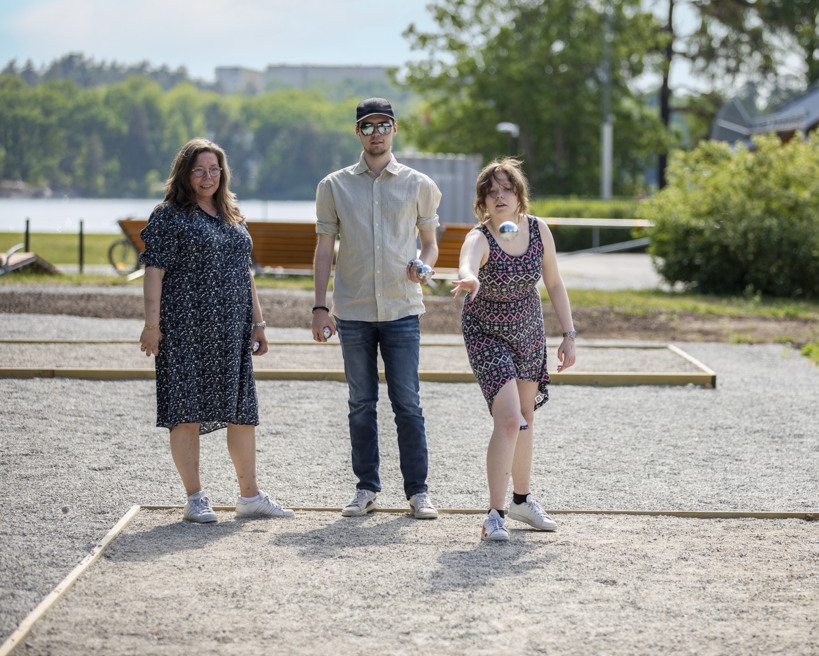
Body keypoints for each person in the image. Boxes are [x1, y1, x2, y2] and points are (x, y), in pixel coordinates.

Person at [139, 138, 293, 523]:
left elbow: (246, 273)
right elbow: (153, 271)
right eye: (199, 169)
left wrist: (259, 323)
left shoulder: (232, 214)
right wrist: (152, 325)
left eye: (214, 169)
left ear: (222, 173)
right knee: (185, 410)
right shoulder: (169, 215)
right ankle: (195, 498)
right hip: (185, 328)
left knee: (242, 413)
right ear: (185, 173)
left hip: (232, 329)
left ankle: (250, 496)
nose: (208, 177)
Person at [310, 97, 442, 520]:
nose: (376, 133)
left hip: (403, 309)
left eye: (382, 125)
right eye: (367, 127)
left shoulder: (419, 184)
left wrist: (426, 265)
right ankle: (366, 487)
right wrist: (319, 306)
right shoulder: (333, 186)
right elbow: (324, 249)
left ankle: (418, 492)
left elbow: (430, 243)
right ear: (358, 133)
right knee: (361, 403)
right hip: (352, 311)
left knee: (408, 402)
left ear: (395, 129)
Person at [451, 158, 577, 541]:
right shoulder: (480, 236)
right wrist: (469, 278)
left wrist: (569, 334)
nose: (499, 195)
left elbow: (554, 284)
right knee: (508, 420)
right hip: (486, 334)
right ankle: (495, 515)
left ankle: (522, 501)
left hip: (527, 332)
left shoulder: (538, 230)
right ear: (483, 202)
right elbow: (467, 262)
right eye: (491, 191)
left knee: (526, 418)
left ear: (519, 195)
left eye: (506, 188)